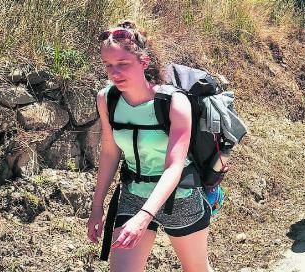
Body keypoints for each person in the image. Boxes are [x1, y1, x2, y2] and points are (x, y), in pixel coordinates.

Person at [86, 21, 213, 271]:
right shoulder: (107, 99)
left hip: (181, 198)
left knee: (197, 269)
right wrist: (97, 207)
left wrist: (145, 217)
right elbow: (110, 153)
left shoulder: (174, 103)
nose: (114, 73)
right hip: (134, 195)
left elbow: (174, 167)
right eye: (108, 65)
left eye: (122, 64)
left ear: (143, 62)